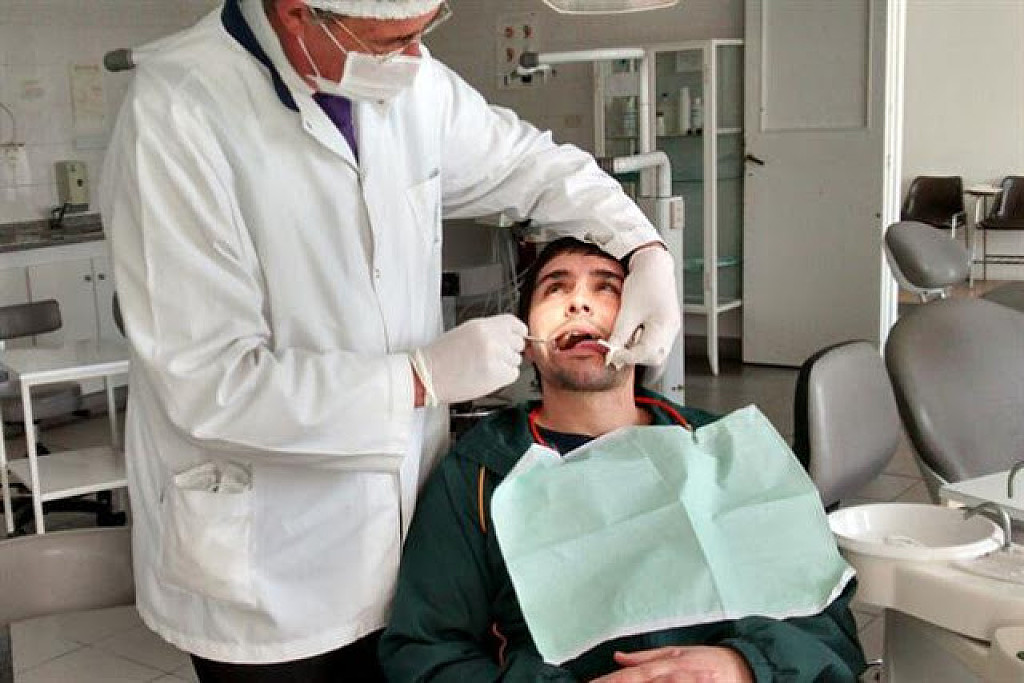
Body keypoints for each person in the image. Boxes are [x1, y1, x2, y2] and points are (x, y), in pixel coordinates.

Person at [98, 0, 682, 680]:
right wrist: (419, 379)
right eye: (391, 40)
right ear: (298, 14)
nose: (414, 59)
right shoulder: (178, 113)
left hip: (416, 554)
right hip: (269, 574)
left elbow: (534, 166)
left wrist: (641, 245)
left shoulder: (409, 83)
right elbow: (210, 385)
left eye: (423, 31)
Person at [379, 237, 868, 682]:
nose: (579, 302)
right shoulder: (482, 474)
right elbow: (425, 651)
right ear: (527, 344)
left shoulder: (725, 448)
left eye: (607, 288)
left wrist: (744, 666)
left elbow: (826, 624)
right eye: (555, 289)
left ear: (646, 319)